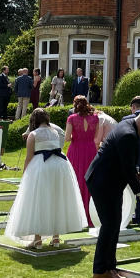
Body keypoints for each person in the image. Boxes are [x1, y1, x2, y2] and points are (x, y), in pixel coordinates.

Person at [85, 108, 140, 278]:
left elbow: (127, 161)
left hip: (110, 181)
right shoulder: (128, 134)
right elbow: (126, 169)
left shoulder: (130, 128)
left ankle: (110, 267)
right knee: (110, 225)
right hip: (102, 181)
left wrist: (137, 172)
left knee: (115, 224)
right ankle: (99, 271)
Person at [6, 107, 83, 248]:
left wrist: (25, 175)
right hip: (60, 167)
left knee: (39, 201)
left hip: (42, 166)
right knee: (56, 199)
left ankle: (37, 239)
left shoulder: (33, 135)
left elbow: (29, 157)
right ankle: (55, 238)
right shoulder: (55, 132)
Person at [64, 95, 100, 226]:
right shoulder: (95, 118)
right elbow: (96, 137)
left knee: (76, 180)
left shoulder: (71, 118)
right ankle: (90, 214)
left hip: (76, 150)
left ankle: (76, 215)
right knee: (90, 181)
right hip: (90, 150)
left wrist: (76, 134)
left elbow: (67, 138)